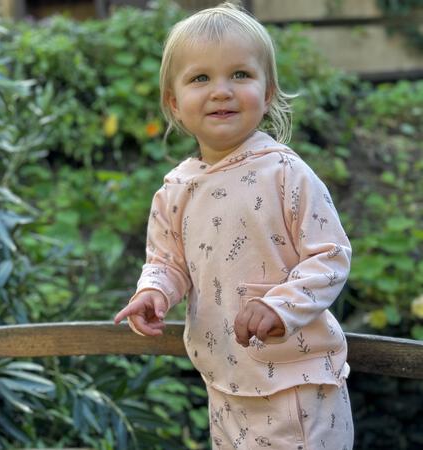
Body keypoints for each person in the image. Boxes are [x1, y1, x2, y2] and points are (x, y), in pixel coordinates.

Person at [113, 3, 354, 449]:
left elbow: (330, 257)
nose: (221, 91)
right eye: (200, 78)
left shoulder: (286, 173)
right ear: (174, 102)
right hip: (224, 382)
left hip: (297, 382)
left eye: (240, 75)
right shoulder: (176, 189)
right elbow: (167, 261)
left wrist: (281, 305)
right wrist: (154, 292)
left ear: (267, 94)